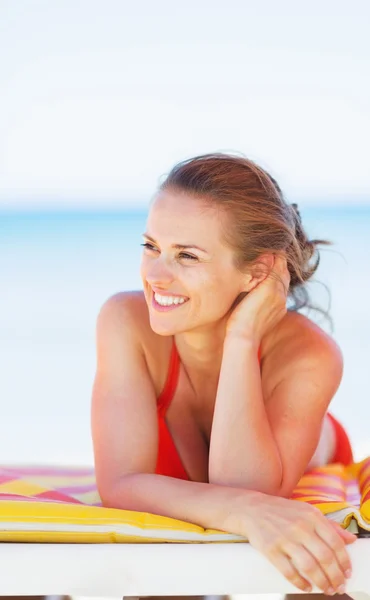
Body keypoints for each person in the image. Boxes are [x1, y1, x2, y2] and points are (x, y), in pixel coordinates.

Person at [91, 153, 356, 594]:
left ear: (258, 271)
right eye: (151, 246)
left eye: (187, 256)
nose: (155, 275)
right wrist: (242, 511)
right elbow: (119, 483)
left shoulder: (309, 354)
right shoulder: (124, 322)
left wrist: (242, 338)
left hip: (311, 454)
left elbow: (249, 489)